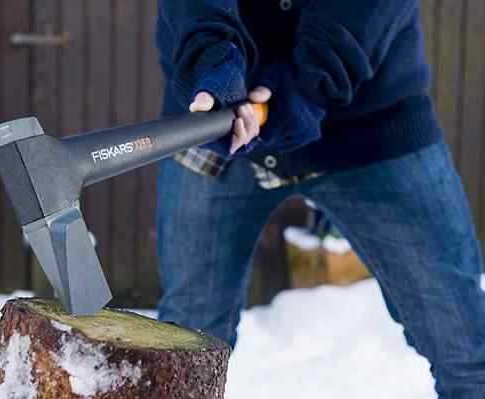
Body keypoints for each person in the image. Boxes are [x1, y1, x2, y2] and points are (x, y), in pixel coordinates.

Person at [155, 0, 485, 397]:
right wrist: (211, 57)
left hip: (369, 126)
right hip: (216, 129)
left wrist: (308, 81)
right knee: (181, 353)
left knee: (466, 349)